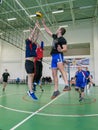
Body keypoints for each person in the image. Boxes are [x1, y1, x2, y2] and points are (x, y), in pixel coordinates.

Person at [42, 19, 70, 99]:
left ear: (60, 31)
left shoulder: (63, 39)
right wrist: (44, 24)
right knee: (54, 74)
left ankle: (67, 85)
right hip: (53, 56)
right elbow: (48, 31)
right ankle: (56, 90)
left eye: (58, 29)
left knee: (62, 70)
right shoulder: (55, 37)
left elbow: (65, 49)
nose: (56, 30)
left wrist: (61, 50)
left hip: (58, 55)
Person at [25, 22, 40, 100]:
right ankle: (31, 92)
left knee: (32, 77)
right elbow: (31, 36)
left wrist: (38, 29)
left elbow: (36, 37)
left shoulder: (34, 44)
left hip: (33, 62)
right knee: (30, 76)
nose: (33, 38)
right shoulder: (27, 42)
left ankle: (30, 91)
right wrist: (35, 27)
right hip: (28, 62)